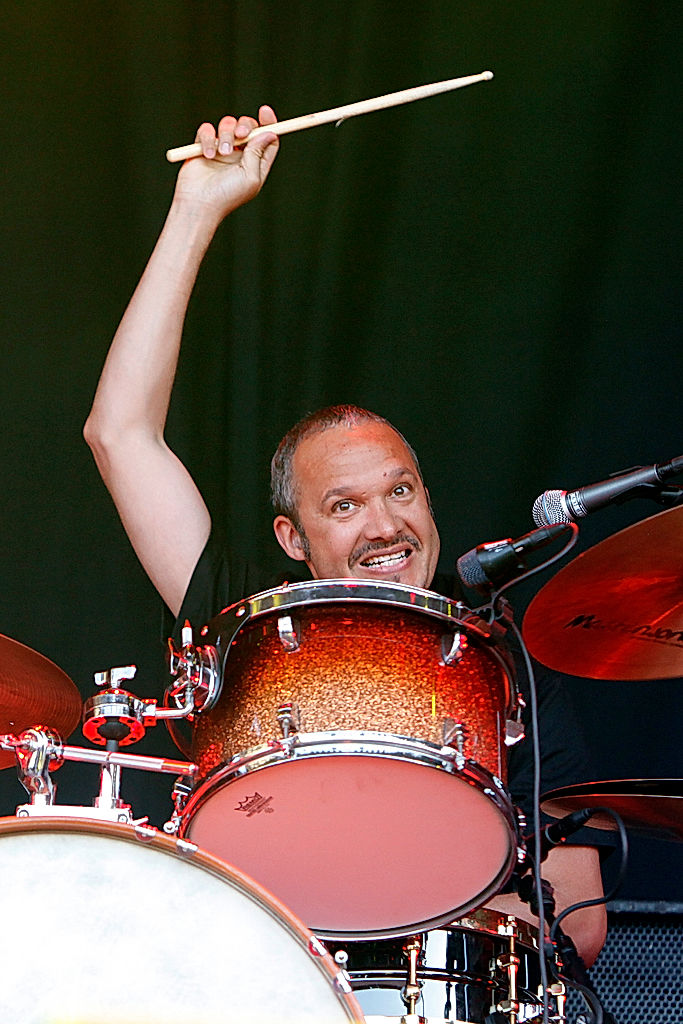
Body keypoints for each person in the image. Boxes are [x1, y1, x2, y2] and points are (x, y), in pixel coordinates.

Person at [84, 106, 607, 966]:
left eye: (400, 490)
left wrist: (404, 924)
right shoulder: (240, 618)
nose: (386, 524)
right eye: (345, 506)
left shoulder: (500, 659)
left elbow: (576, 919)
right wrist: (197, 210)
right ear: (291, 537)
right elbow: (120, 434)